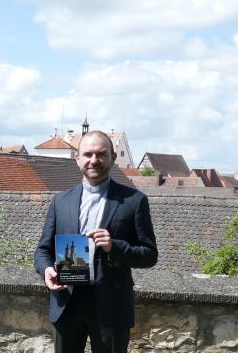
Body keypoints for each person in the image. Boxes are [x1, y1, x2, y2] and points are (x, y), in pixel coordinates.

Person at [34, 131, 157, 353]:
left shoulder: (134, 201)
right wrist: (47, 271)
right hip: (67, 301)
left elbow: (149, 255)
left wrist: (114, 246)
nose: (94, 160)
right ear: (77, 158)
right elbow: (43, 250)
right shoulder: (60, 201)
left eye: (101, 154)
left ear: (112, 157)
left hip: (111, 305)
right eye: (88, 154)